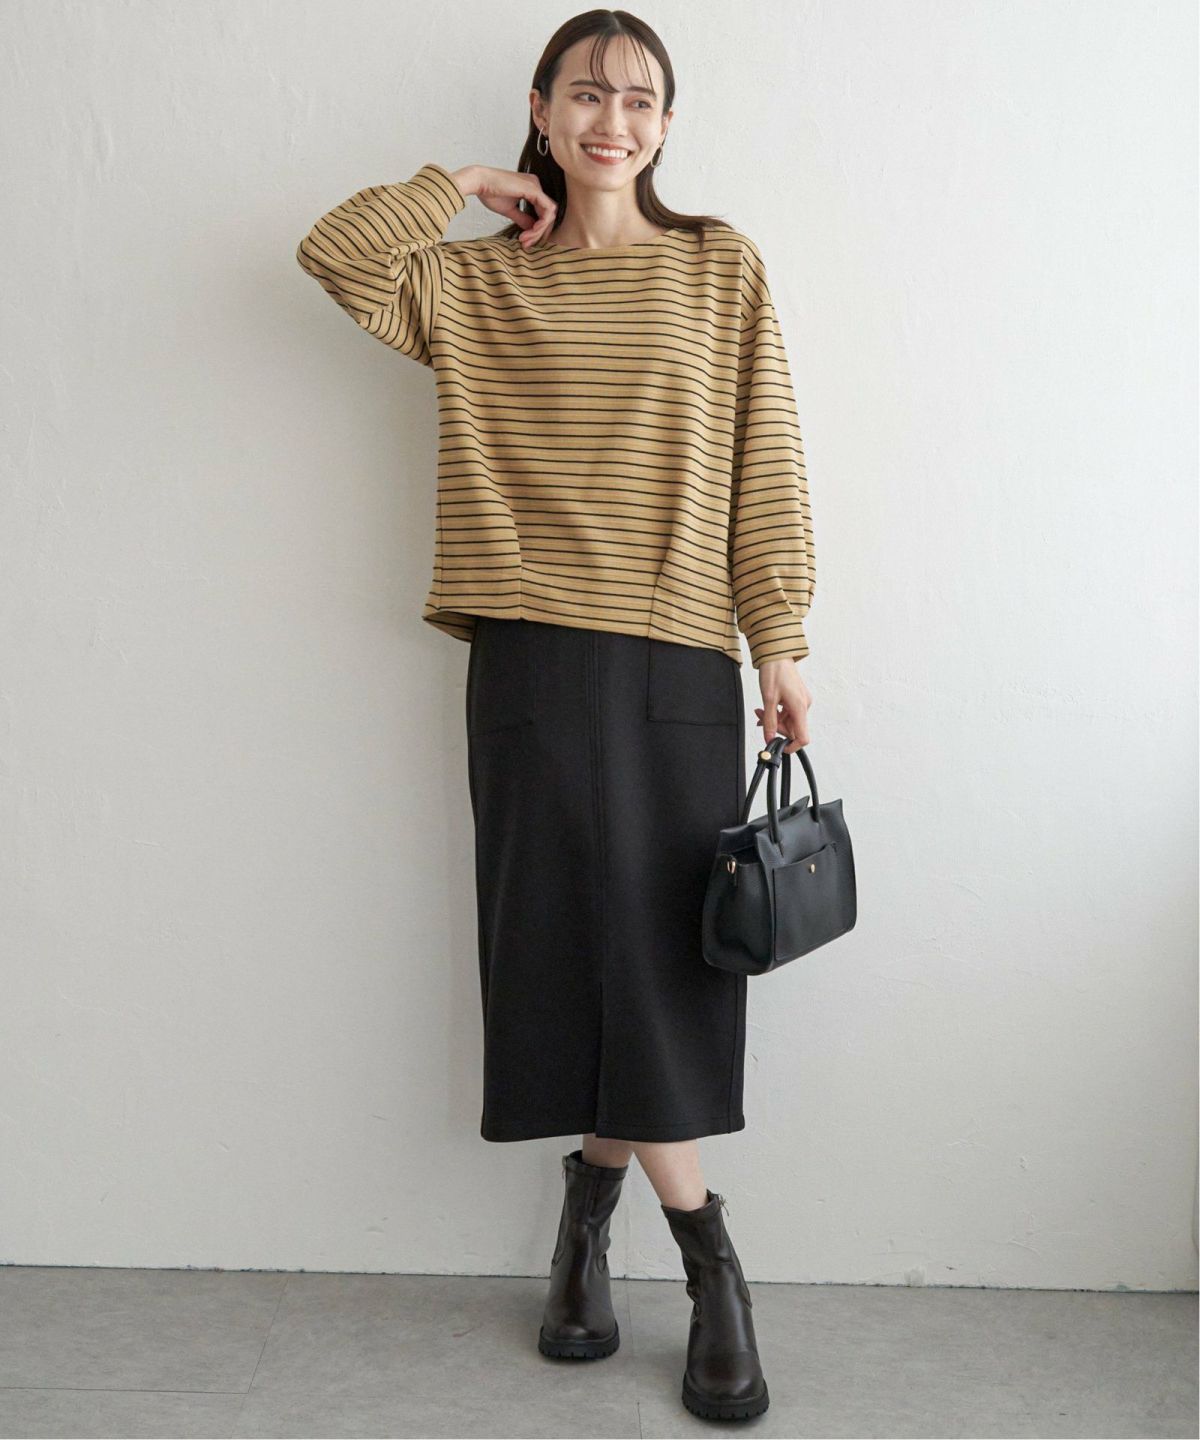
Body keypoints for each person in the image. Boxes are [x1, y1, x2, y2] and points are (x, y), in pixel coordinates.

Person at [295, 10, 815, 1424]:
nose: (613, 122)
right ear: (542, 107)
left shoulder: (718, 268)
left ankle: (621, 1232)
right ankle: (681, 1256)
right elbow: (334, 254)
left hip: (675, 655)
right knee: (565, 949)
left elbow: (767, 456)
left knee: (659, 956)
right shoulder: (476, 283)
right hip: (527, 648)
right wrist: (463, 184)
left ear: (667, 125)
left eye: (641, 101)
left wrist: (780, 635)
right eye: (586, 94)